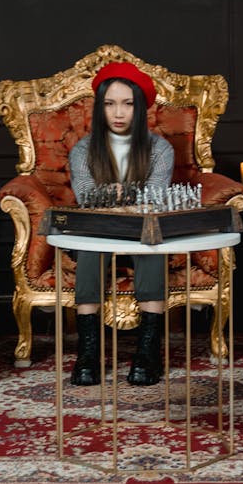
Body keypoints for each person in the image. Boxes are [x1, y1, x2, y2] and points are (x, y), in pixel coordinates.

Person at [68, 60, 174, 387]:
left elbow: (155, 198)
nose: (118, 113)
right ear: (99, 107)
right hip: (98, 231)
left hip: (142, 232)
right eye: (110, 104)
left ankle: (147, 352)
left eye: (127, 104)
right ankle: (88, 353)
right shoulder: (82, 149)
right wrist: (131, 195)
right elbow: (87, 197)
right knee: (89, 251)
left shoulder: (161, 149)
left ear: (139, 108)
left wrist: (117, 193)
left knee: (152, 247)